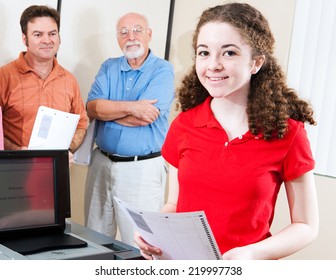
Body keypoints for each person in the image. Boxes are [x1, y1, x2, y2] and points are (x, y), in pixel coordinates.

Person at [135, 3, 319, 260]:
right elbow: (175, 205)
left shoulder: (287, 133)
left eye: (229, 53)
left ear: (256, 62)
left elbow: (307, 226)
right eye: (204, 53)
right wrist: (154, 234)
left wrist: (252, 253)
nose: (213, 65)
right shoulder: (184, 125)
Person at [84, 12, 174, 245]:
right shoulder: (109, 67)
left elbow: (147, 117)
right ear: (118, 38)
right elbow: (93, 108)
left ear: (149, 34)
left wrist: (109, 112)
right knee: (95, 239)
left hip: (141, 169)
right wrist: (132, 108)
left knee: (140, 244)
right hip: (100, 164)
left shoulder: (163, 70)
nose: (130, 36)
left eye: (137, 30)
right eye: (123, 32)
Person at [0, 5, 87, 156]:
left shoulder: (69, 80)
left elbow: (81, 123)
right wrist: (17, 152)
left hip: (56, 168)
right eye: (38, 34)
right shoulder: (4, 76)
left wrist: (67, 151)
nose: (47, 40)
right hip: (13, 168)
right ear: (24, 38)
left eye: (52, 33)